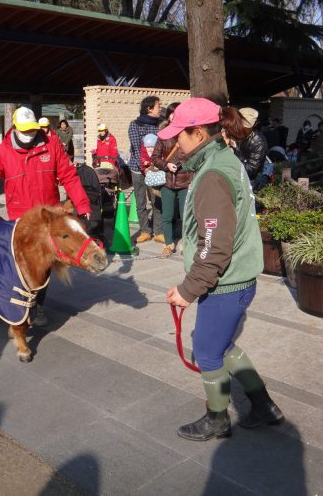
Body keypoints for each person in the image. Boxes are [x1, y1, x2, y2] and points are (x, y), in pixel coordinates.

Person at [163, 97, 284, 441]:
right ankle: (264, 406)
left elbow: (215, 246)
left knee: (206, 350)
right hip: (239, 277)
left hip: (226, 283)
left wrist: (188, 290)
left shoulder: (214, 174)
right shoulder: (224, 159)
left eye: (180, 135)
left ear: (198, 133)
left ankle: (217, 418)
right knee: (221, 344)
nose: (175, 142)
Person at [0, 107, 91, 327]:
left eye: (33, 130)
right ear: (14, 128)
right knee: (20, 264)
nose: (30, 134)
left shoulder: (51, 145)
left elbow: (69, 176)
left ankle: (38, 305)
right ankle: (21, 302)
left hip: (48, 217)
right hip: (20, 219)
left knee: (44, 264)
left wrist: (82, 203)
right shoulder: (4, 152)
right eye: (25, 130)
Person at [152, 123, 192, 257]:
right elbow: (155, 157)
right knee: (167, 215)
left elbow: (195, 156)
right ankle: (168, 245)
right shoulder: (163, 136)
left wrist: (184, 164)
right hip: (167, 182)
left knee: (185, 215)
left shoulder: (188, 135)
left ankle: (187, 244)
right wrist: (166, 164)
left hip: (186, 182)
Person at [128, 95, 162, 243]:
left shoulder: (160, 125)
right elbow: (136, 148)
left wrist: (155, 167)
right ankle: (145, 231)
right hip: (138, 168)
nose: (160, 109)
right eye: (158, 106)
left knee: (156, 201)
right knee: (141, 201)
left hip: (156, 169)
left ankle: (159, 231)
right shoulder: (135, 124)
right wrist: (145, 168)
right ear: (149, 109)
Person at [234, 107, 268, 184]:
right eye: (239, 125)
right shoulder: (233, 133)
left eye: (246, 127)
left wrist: (236, 151)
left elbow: (251, 171)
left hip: (249, 182)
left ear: (254, 125)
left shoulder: (258, 142)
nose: (241, 128)